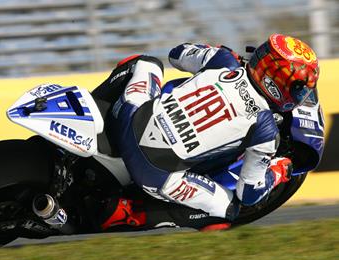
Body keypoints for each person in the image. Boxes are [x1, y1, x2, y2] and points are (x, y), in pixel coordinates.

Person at [91, 34, 319, 230]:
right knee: (228, 209)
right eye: (299, 89)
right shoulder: (265, 128)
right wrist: (279, 170)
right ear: (282, 88)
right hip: (152, 174)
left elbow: (176, 54)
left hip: (129, 121)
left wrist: (214, 51)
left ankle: (91, 112)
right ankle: (129, 213)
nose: (300, 96)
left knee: (145, 63)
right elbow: (249, 193)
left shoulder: (224, 61)